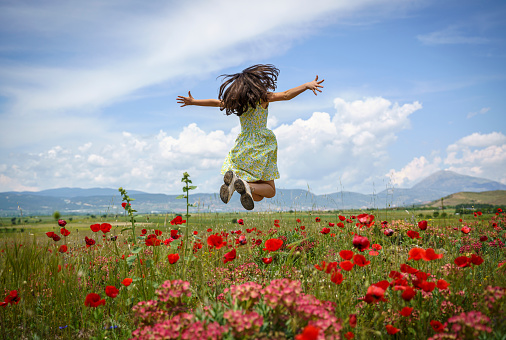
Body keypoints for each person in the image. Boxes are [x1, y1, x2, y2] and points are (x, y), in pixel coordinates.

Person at [177, 64, 324, 210]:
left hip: (243, 148)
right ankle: (244, 184)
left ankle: (240, 184)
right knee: (271, 191)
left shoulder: (238, 102)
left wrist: (194, 102)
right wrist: (306, 85)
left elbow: (216, 103)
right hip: (261, 146)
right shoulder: (263, 98)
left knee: (258, 196)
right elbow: (286, 95)